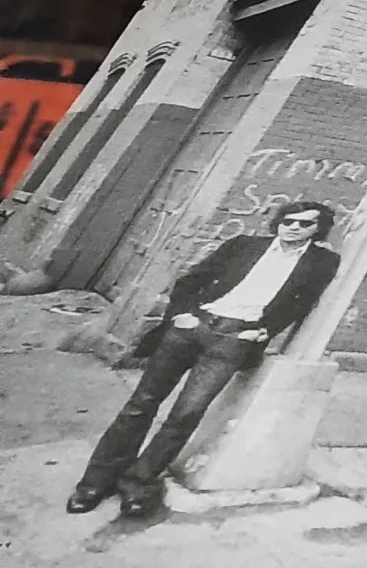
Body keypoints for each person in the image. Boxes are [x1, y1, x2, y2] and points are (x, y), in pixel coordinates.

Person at [66, 201, 341, 518]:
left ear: (317, 229)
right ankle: (95, 483)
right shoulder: (244, 245)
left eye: (304, 223)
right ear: (278, 221)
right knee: (141, 403)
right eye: (288, 220)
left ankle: (138, 482)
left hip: (234, 340)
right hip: (190, 328)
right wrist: (181, 316)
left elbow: (302, 303)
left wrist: (263, 331)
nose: (293, 227)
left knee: (187, 413)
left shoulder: (322, 262)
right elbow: (190, 280)